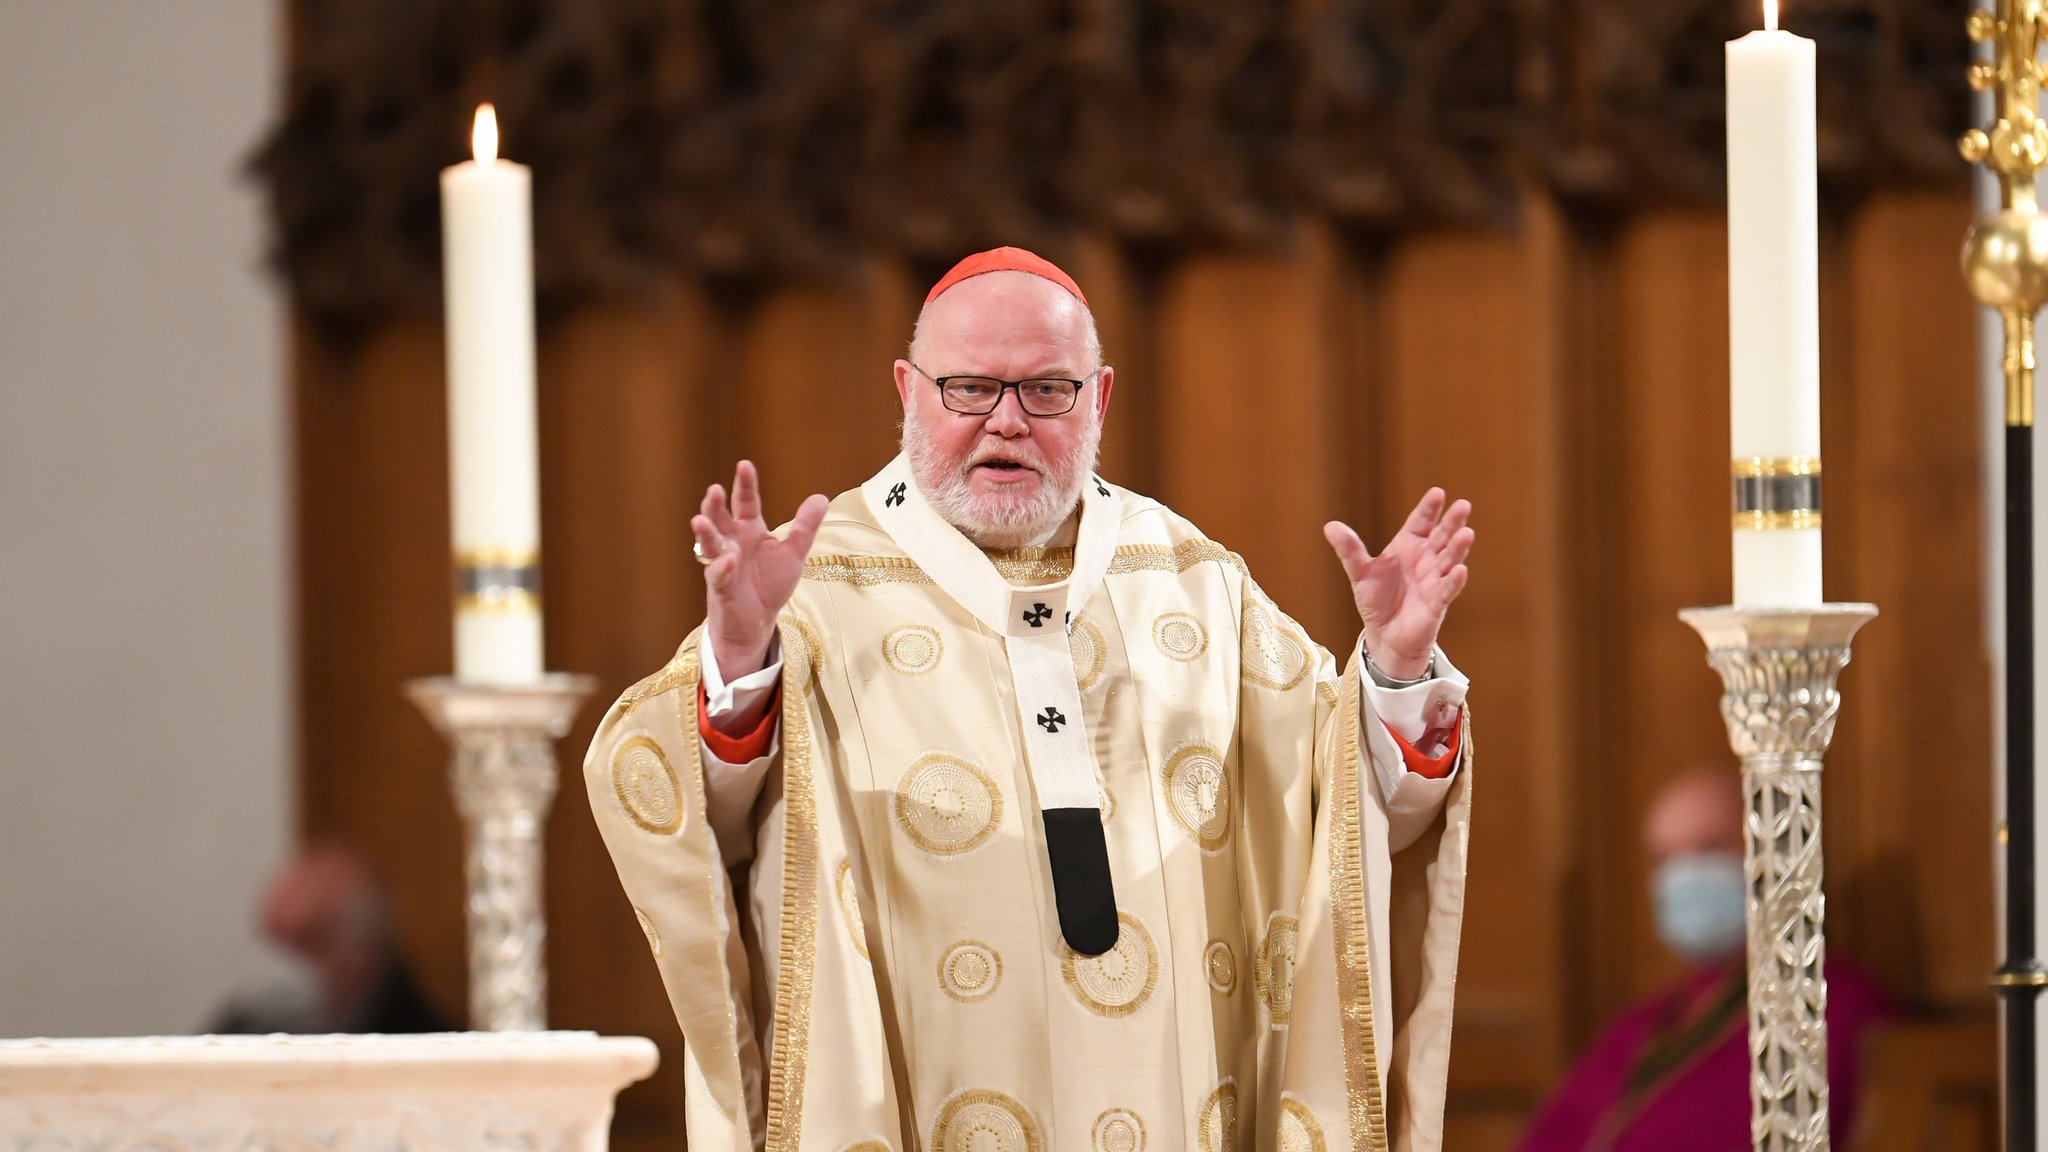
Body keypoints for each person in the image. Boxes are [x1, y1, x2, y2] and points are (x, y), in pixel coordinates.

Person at [583, 247, 1477, 1150]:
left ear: (1101, 397)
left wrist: (1396, 671)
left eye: (1048, 390)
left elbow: (1339, 817)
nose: (1006, 422)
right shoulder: (806, 589)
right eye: (969, 388)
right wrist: (739, 654)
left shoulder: (1193, 583)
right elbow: (704, 819)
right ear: (908, 389)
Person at [1514, 773, 1893, 1152]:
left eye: (1709, 848)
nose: (1685, 877)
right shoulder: (1643, 1023)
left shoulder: (1831, 1006)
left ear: (1774, 852)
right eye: (1665, 858)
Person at [210, 844, 450, 1035]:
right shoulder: (243, 1030)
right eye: (273, 938)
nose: (281, 962)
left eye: (305, 941)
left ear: (364, 953)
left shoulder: (421, 1048)